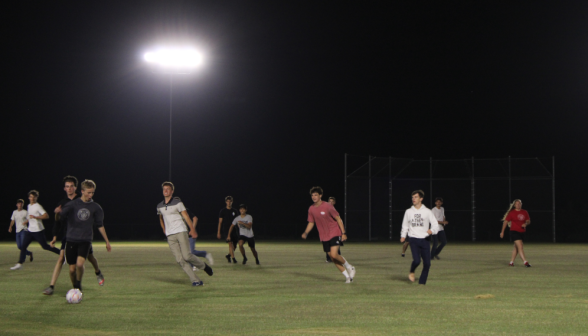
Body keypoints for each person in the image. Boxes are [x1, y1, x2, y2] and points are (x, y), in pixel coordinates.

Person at [43, 175, 105, 296]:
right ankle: (52, 286)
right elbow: (58, 220)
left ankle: (97, 272)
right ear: (64, 189)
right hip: (69, 236)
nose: (70, 189)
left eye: (72, 186)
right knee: (62, 259)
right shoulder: (63, 203)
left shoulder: (82, 198)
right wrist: (55, 236)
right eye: (67, 187)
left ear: (76, 188)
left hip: (84, 236)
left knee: (90, 257)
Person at [59, 180, 112, 292]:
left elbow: (100, 225)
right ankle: (75, 288)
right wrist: (59, 213)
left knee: (80, 263)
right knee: (72, 269)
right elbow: (61, 216)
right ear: (82, 191)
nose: (91, 195)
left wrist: (107, 241)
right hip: (71, 240)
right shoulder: (73, 204)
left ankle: (81, 283)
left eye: (92, 193)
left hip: (85, 240)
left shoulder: (95, 207)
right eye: (88, 192)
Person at [158, 182, 213, 286]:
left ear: (172, 191)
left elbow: (187, 216)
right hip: (170, 236)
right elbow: (161, 218)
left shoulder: (178, 203)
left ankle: (204, 266)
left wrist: (192, 229)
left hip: (181, 232)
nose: (165, 191)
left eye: (168, 189)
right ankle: (196, 281)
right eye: (164, 189)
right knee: (180, 260)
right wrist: (164, 230)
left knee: (187, 256)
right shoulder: (159, 206)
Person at [302, 186, 356, 283]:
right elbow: (311, 222)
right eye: (312, 195)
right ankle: (348, 277)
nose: (313, 197)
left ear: (320, 196)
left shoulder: (327, 206)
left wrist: (343, 233)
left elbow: (338, 219)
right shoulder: (311, 209)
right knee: (332, 257)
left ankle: (350, 267)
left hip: (334, 232)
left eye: (316, 195)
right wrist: (306, 232)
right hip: (324, 236)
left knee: (335, 254)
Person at [10, 190, 60, 270]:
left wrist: (36, 217)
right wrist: (27, 220)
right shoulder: (29, 206)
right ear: (28, 197)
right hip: (30, 231)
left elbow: (46, 216)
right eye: (31, 197)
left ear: (36, 197)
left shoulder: (38, 206)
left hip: (38, 231)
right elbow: (30, 217)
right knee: (23, 247)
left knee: (45, 246)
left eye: (34, 197)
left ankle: (62, 254)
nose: (32, 198)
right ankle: (20, 264)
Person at [400, 190, 439, 285]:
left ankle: (422, 283)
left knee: (427, 263)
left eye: (416, 197)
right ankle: (412, 271)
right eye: (413, 197)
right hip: (413, 239)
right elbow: (405, 225)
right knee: (417, 260)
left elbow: (435, 225)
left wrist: (432, 230)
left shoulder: (427, 211)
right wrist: (403, 236)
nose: (413, 199)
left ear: (421, 199)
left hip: (425, 240)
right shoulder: (408, 211)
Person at [178, 202, 213, 271]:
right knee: (187, 252)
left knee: (190, 252)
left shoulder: (185, 210)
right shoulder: (175, 213)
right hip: (183, 235)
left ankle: (204, 256)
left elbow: (195, 218)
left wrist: (192, 229)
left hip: (191, 235)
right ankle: (195, 264)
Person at [500, 199, 531, 267]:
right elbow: (505, 222)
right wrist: (502, 232)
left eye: (519, 203)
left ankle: (511, 262)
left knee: (516, 248)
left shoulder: (524, 212)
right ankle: (525, 262)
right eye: (516, 204)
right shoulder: (512, 213)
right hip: (514, 231)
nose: (518, 205)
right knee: (520, 246)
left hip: (522, 232)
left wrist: (526, 224)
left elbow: (528, 221)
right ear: (514, 205)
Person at [217, 196, 239, 264]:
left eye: (230, 201)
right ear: (226, 202)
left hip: (234, 229)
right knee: (230, 243)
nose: (229, 203)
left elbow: (237, 221)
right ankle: (233, 259)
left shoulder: (235, 211)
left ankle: (228, 255)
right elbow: (220, 222)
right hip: (226, 229)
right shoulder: (223, 211)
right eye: (227, 201)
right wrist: (218, 232)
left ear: (232, 202)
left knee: (235, 245)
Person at [325, 197, 341, 263]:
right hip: (327, 231)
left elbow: (338, 221)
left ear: (334, 203)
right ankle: (329, 259)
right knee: (327, 244)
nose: (331, 203)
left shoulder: (334, 211)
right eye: (330, 201)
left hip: (334, 231)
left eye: (332, 201)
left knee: (336, 244)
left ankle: (338, 258)